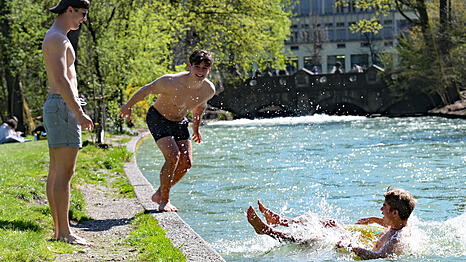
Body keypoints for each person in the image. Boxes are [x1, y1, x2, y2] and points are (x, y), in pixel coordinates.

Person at [120, 50, 216, 212]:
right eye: (197, 67)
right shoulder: (170, 81)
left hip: (179, 121)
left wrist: (196, 128)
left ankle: (159, 193)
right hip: (158, 118)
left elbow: (200, 107)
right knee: (173, 156)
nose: (200, 72)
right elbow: (147, 89)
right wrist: (128, 105)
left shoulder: (208, 89)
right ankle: (164, 200)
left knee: (186, 163)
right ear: (189, 66)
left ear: (209, 70)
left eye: (204, 68)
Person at [42, 0, 94, 246]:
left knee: (56, 172)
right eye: (82, 14)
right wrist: (79, 113)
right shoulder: (58, 39)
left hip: (59, 106)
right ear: (70, 10)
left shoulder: (58, 37)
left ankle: (59, 231)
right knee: (64, 173)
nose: (83, 19)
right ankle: (64, 233)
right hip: (63, 107)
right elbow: (62, 80)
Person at [247, 188, 416, 260]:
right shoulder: (397, 223)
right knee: (330, 223)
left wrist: (352, 247)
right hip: (362, 246)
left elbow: (380, 257)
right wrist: (373, 220)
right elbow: (390, 224)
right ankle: (279, 220)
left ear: (395, 212)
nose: (381, 209)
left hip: (360, 254)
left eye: (384, 207)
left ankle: (269, 231)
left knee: (316, 239)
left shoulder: (397, 239)